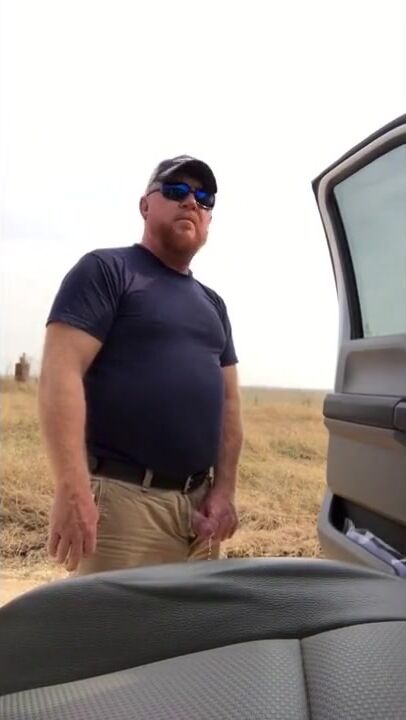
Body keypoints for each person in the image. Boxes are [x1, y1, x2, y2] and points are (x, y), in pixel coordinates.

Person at [38, 155, 243, 575]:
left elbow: (230, 403)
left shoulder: (213, 304)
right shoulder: (106, 271)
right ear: (145, 205)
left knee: (190, 621)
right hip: (123, 506)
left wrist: (223, 490)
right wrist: (72, 488)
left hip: (199, 513)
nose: (191, 201)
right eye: (175, 190)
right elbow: (60, 374)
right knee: (113, 620)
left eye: (204, 198)